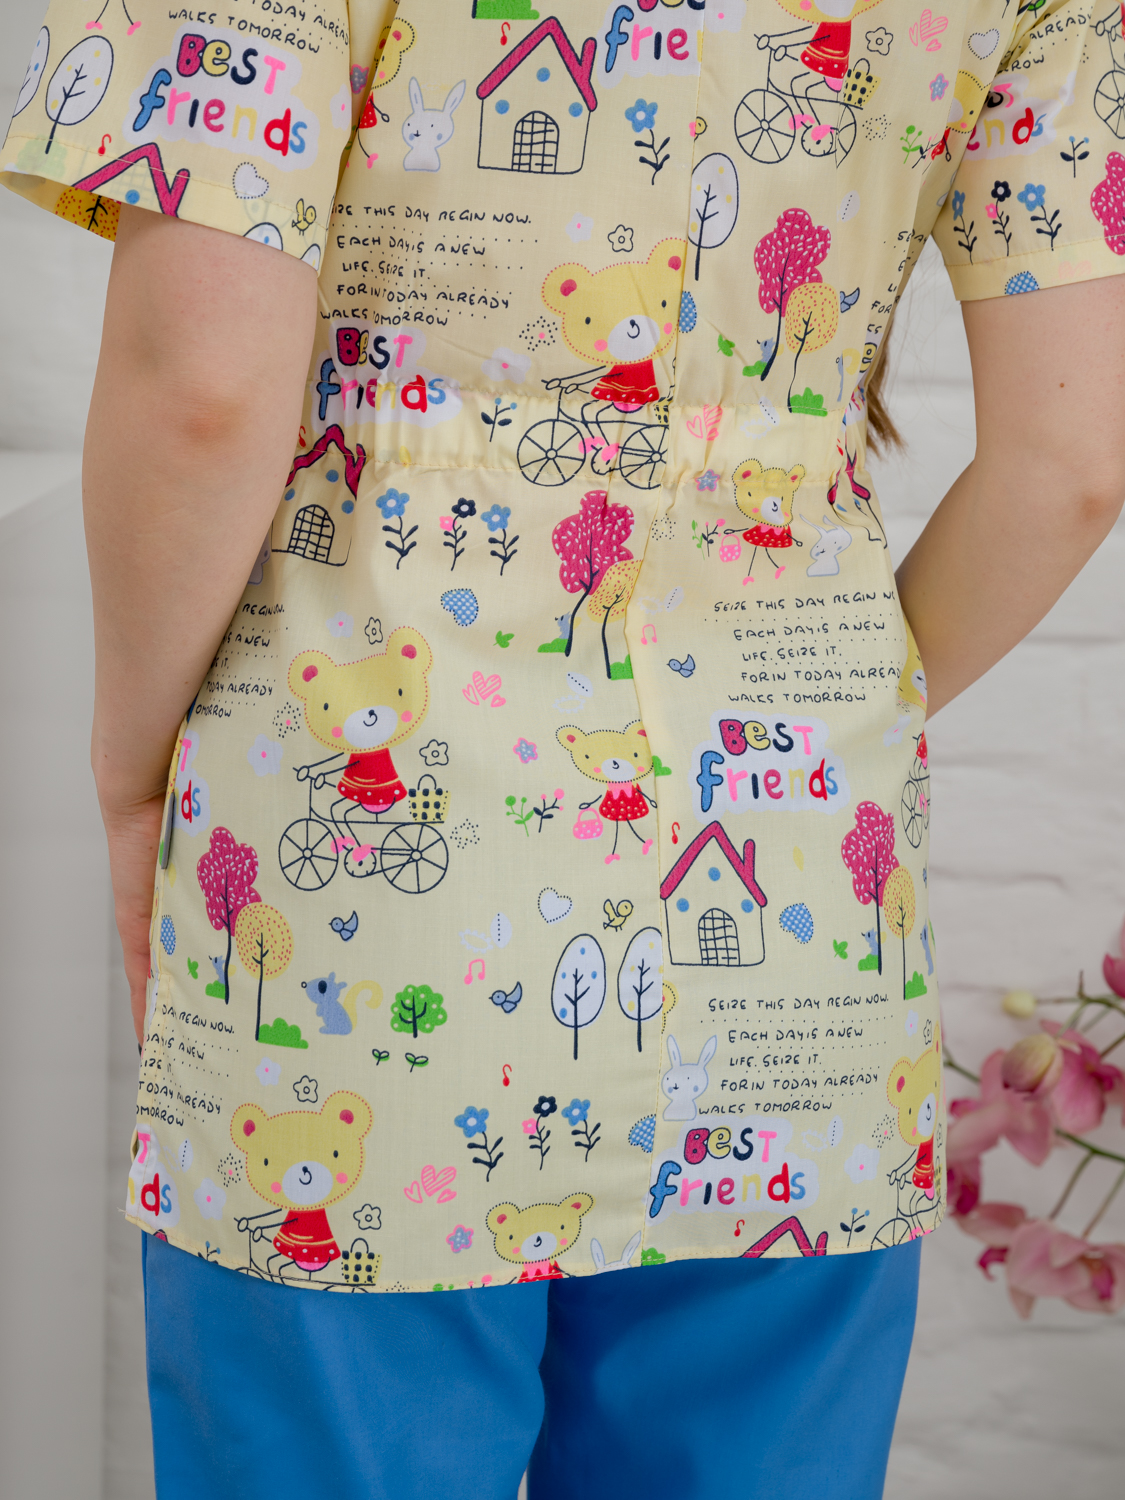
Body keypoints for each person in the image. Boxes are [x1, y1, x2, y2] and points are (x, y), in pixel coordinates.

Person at [4, 1, 1124, 1495]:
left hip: (362, 917)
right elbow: (1071, 459)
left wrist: (129, 772)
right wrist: (809, 731)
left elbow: (203, 388)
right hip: (798, 958)